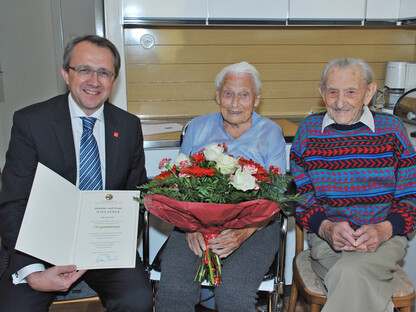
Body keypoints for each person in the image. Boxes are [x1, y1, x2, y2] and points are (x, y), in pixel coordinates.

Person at [0, 35, 153, 312]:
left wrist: (119, 242)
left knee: (138, 300)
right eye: (84, 70)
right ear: (65, 74)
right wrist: (32, 272)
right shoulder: (31, 123)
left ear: (113, 80)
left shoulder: (128, 126)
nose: (94, 81)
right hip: (39, 250)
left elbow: (136, 196)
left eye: (104, 72)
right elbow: (14, 203)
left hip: (105, 249)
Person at [156, 61, 287, 312]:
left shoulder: (271, 133)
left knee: (234, 293)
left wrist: (243, 232)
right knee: (174, 289)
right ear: (218, 96)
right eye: (228, 93)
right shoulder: (197, 127)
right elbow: (179, 184)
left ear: (257, 99)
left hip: (255, 226)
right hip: (194, 223)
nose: (235, 103)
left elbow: (276, 194)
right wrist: (189, 226)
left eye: (244, 95)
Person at [290, 57, 416, 312]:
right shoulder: (308, 134)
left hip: (384, 239)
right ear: (321, 91)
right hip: (327, 241)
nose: (339, 102)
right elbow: (302, 199)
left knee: (348, 273)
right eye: (332, 92)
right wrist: (325, 228)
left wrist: (384, 229)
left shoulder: (393, 131)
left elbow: (410, 198)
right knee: (352, 274)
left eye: (350, 92)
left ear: (369, 92)